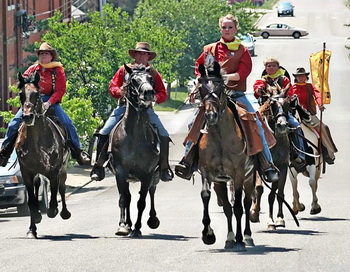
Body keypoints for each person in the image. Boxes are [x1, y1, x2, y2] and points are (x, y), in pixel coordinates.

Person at [175, 14, 279, 183]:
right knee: (193, 122)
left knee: (257, 124)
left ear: (236, 29)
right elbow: (199, 68)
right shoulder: (209, 49)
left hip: (236, 95)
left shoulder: (242, 50)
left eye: (230, 27)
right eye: (224, 27)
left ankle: (267, 165)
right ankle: (188, 162)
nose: (227, 30)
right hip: (214, 96)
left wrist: (224, 77)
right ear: (220, 29)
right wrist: (203, 81)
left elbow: (242, 73)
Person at [90, 42, 174, 182]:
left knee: (163, 133)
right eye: (139, 53)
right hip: (124, 107)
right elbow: (112, 87)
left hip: (146, 109)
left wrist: (155, 97)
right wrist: (119, 91)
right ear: (134, 55)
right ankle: (99, 166)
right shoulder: (124, 70)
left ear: (148, 56)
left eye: (144, 54)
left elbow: (162, 93)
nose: (141, 56)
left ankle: (164, 167)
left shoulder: (152, 73)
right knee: (105, 131)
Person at [0, 42, 90, 167]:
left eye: (46, 54)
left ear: (51, 56)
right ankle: (4, 153)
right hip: (32, 101)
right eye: (41, 54)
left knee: (68, 123)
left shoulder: (58, 71)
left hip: (50, 100)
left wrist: (49, 102)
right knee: (14, 123)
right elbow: (23, 82)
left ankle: (78, 152)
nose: (43, 56)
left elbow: (60, 90)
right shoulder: (33, 69)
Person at [253, 57, 306, 168]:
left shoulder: (284, 79)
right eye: (269, 66)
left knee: (296, 125)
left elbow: (290, 94)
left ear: (278, 67)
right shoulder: (262, 80)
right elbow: (257, 90)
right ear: (265, 68)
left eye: (273, 66)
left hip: (282, 111)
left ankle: (299, 154)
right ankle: (252, 155)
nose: (271, 68)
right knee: (252, 127)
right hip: (266, 112)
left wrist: (286, 99)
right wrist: (258, 90)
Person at [288, 67, 337, 164]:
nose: (301, 77)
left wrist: (320, 104)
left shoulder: (310, 86)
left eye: (302, 75)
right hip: (295, 114)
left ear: (306, 77)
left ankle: (328, 151)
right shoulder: (292, 88)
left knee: (323, 127)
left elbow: (317, 95)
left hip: (308, 114)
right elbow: (288, 97)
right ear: (295, 77)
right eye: (298, 76)